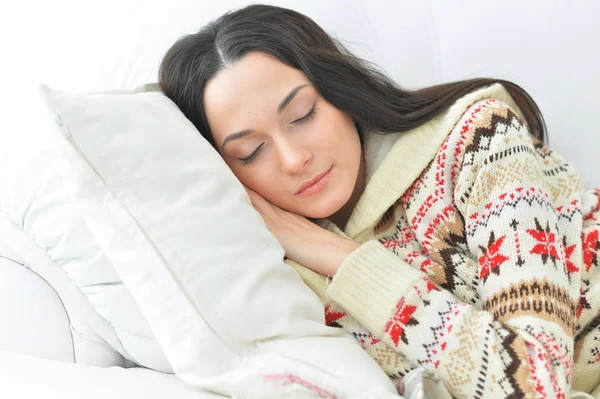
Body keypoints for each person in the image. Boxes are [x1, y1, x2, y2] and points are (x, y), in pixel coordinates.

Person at [158, 4, 600, 398]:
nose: (295, 159)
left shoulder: (480, 139)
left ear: (340, 93)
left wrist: (341, 258)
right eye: (250, 152)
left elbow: (536, 384)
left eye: (303, 115)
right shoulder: (277, 277)